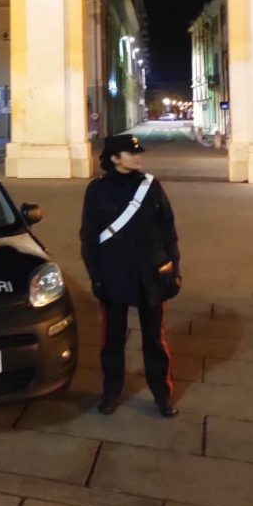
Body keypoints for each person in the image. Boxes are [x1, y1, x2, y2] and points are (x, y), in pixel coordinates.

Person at [80, 134, 181, 417]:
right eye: (130, 153)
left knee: (155, 340)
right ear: (114, 158)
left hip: (151, 273)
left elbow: (168, 230)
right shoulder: (96, 190)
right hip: (113, 273)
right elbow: (88, 237)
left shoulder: (151, 186)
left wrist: (174, 270)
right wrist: (95, 275)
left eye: (138, 153)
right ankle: (111, 392)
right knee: (112, 338)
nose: (138, 157)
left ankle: (162, 394)